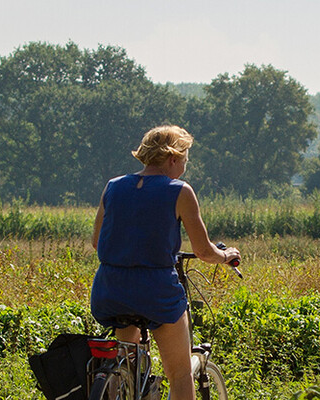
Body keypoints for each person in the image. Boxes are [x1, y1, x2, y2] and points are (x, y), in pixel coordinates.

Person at [90, 125, 240, 400]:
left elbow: (96, 242)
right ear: (172, 158)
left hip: (109, 290)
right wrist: (226, 255)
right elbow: (204, 251)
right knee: (181, 374)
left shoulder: (113, 186)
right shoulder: (180, 191)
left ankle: (119, 383)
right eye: (185, 159)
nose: (185, 166)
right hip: (155, 291)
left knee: (127, 358)